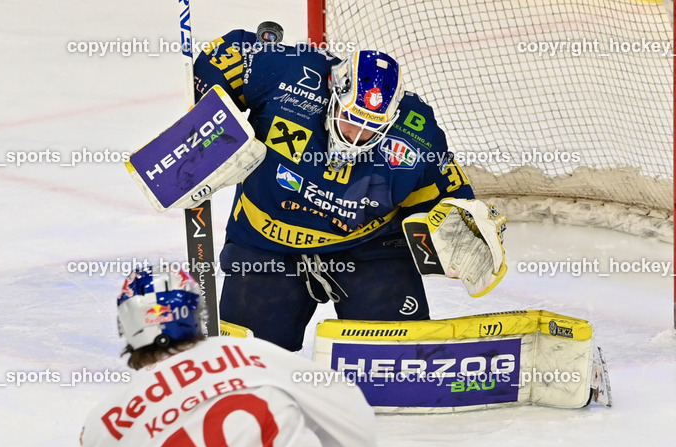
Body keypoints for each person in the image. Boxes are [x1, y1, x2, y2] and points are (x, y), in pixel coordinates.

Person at [193, 28, 500, 351]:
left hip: (368, 247)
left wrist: (463, 228)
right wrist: (202, 121)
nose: (357, 134)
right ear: (334, 93)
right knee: (247, 359)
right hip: (267, 242)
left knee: (393, 360)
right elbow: (230, 54)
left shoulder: (418, 134)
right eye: (351, 118)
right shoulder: (287, 73)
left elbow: (445, 198)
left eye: (372, 126)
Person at [77, 265, 378, 447]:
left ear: (126, 326)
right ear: (196, 312)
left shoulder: (106, 420)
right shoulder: (255, 354)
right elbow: (361, 443)